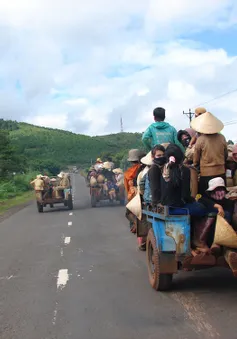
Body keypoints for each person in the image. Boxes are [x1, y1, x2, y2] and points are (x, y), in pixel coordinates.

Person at [192, 112, 228, 195]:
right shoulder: (222, 138)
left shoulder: (200, 139)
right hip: (221, 172)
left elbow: (196, 159)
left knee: (206, 197)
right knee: (221, 196)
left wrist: (196, 165)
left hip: (206, 175)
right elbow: (225, 155)